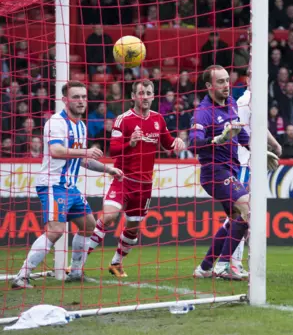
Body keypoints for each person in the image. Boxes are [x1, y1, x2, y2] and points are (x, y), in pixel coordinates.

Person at [11, 81, 123, 288]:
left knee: (89, 226)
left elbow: (82, 159)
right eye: (76, 97)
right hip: (53, 185)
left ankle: (75, 272)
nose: (81, 101)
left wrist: (108, 169)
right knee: (55, 230)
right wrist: (86, 151)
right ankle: (21, 276)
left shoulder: (81, 126)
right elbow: (57, 151)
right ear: (65, 100)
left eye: (83, 97)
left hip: (71, 187)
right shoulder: (56, 122)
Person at [84, 80, 185, 278]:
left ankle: (116, 263)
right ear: (133, 97)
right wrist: (130, 143)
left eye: (148, 92)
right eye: (141, 92)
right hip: (123, 179)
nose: (145, 96)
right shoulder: (123, 120)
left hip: (145, 185)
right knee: (109, 217)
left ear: (153, 96)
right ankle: (78, 263)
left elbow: (168, 144)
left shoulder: (158, 119)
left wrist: (177, 142)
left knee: (133, 227)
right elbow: (113, 150)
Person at [190, 65, 278, 280]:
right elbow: (193, 143)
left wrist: (257, 151)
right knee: (249, 209)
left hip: (230, 168)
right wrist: (217, 139)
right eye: (220, 82)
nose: (226, 85)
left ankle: (205, 267)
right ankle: (224, 265)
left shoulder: (230, 103)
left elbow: (240, 134)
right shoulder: (203, 112)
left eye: (227, 80)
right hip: (214, 172)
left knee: (236, 217)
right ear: (209, 86)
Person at [226, 88, 283, 277]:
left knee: (243, 213)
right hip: (241, 162)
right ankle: (230, 263)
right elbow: (237, 129)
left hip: (248, 162)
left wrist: (273, 144)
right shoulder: (244, 102)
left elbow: (257, 126)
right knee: (241, 212)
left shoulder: (255, 98)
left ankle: (225, 262)